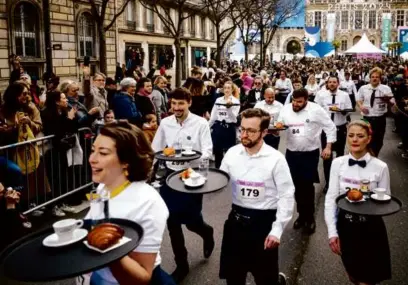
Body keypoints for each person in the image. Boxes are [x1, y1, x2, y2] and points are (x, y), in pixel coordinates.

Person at [86, 121, 175, 285]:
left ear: (126, 161)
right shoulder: (102, 188)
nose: (92, 159)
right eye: (93, 151)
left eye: (103, 153)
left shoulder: (149, 203)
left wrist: (109, 249)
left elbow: (142, 277)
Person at [219, 108, 293, 285]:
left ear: (264, 132)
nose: (244, 134)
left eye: (251, 131)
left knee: (265, 278)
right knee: (234, 277)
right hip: (236, 221)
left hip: (263, 223)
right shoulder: (232, 154)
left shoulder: (276, 159)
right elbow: (220, 181)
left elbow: (286, 195)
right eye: (242, 129)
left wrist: (277, 230)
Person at [152, 88, 214, 283]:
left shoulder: (200, 123)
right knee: (172, 222)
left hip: (191, 174)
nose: (176, 108)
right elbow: (156, 149)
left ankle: (207, 232)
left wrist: (191, 159)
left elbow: (207, 151)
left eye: (180, 104)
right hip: (170, 176)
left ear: (189, 103)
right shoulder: (165, 123)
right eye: (173, 104)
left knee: (192, 221)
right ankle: (182, 264)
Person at [324, 120, 391, 285]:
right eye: (351, 135)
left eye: (360, 136)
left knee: (368, 279)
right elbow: (331, 199)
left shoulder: (380, 167)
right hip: (345, 225)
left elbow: (385, 199)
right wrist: (332, 232)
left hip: (371, 228)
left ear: (368, 139)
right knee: (353, 274)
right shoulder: (337, 163)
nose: (354, 139)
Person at [277, 88, 336, 234]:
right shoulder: (285, 109)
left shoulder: (316, 110)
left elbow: (330, 127)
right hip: (292, 153)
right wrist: (277, 126)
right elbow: (279, 123)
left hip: (310, 153)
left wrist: (328, 147)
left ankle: (310, 218)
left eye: (299, 102)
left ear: (306, 100)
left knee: (307, 185)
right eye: (294, 101)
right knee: (295, 186)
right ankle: (301, 215)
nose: (295, 104)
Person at [41, 91, 79, 217]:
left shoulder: (63, 112)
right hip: (51, 149)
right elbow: (56, 132)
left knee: (63, 176)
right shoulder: (47, 113)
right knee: (54, 178)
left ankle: (63, 202)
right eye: (63, 98)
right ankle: (54, 205)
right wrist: (69, 119)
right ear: (57, 101)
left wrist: (72, 118)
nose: (66, 100)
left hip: (62, 149)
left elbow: (72, 128)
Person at [315, 76, 352, 193]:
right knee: (327, 157)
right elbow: (316, 110)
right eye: (330, 82)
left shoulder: (344, 95)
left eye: (334, 82)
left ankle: (340, 181)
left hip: (340, 128)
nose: (332, 84)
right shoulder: (321, 95)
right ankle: (328, 183)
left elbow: (349, 110)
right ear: (327, 83)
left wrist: (341, 110)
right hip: (326, 129)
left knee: (340, 155)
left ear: (338, 83)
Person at [357, 67, 394, 157]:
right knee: (365, 139)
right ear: (369, 78)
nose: (374, 78)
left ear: (380, 78)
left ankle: (374, 156)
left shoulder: (386, 88)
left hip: (380, 119)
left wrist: (387, 100)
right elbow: (358, 99)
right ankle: (366, 156)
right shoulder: (363, 88)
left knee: (379, 141)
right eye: (372, 77)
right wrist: (361, 107)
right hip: (366, 119)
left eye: (377, 77)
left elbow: (392, 103)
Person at [209, 81, 240, 168]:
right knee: (218, 151)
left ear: (232, 89)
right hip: (219, 126)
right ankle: (218, 170)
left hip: (229, 127)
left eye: (228, 88)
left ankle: (228, 170)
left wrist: (229, 109)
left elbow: (234, 118)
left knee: (229, 151)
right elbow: (213, 115)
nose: (226, 90)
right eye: (225, 88)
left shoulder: (235, 101)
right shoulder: (218, 100)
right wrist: (208, 127)